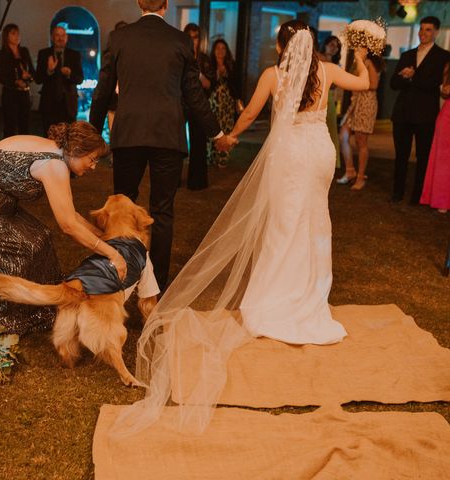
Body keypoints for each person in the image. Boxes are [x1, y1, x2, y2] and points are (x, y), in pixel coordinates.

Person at [111, 20, 370, 436]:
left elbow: (250, 112)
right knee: (314, 221)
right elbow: (363, 83)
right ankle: (309, 295)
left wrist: (227, 136)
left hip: (289, 154)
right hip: (319, 153)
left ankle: (277, 296)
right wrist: (361, 53)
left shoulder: (274, 75)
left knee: (284, 224)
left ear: (284, 45)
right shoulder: (327, 70)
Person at [89, 0, 234, 292]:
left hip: (128, 134)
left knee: (122, 206)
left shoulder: (120, 38)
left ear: (139, 3)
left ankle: (122, 278)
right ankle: (157, 286)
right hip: (167, 136)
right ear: (166, 5)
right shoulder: (180, 40)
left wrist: (93, 133)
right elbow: (194, 94)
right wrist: (216, 133)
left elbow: (103, 90)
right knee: (163, 211)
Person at [0, 121, 126, 335]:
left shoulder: (56, 151)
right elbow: (68, 225)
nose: (93, 166)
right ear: (76, 151)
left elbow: (70, 214)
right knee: (25, 247)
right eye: (92, 159)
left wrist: (103, 237)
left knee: (40, 237)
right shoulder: (54, 164)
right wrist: (112, 253)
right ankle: (6, 315)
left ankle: (45, 307)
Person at [390, 16, 450, 205]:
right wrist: (404, 78)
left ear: (436, 32)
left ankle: (418, 195)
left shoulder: (443, 56)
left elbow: (434, 85)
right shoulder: (407, 55)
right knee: (401, 155)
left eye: (428, 30)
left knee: (423, 156)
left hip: (425, 115)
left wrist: (413, 77)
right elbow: (393, 84)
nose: (423, 33)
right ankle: (397, 192)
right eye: (422, 29)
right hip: (402, 113)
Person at [338, 52, 384, 190]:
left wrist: (356, 84)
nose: (357, 48)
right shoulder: (359, 61)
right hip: (355, 103)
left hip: (366, 103)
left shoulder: (369, 62)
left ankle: (360, 177)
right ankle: (350, 170)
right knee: (343, 136)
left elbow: (374, 84)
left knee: (361, 141)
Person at [35, 26, 84, 135]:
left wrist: (69, 74)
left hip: (69, 105)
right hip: (49, 104)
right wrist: (49, 71)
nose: (60, 38)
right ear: (52, 37)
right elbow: (37, 79)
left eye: (63, 35)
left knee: (69, 137)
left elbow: (80, 79)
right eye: (57, 35)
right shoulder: (44, 54)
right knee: (48, 137)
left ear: (67, 38)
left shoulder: (74, 55)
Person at [183, 23, 214, 190]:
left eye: (196, 37)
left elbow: (209, 84)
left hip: (198, 104)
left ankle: (197, 181)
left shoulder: (204, 60)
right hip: (181, 104)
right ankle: (173, 180)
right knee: (176, 144)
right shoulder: (180, 56)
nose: (193, 41)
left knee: (198, 143)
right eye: (190, 37)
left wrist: (198, 72)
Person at [420, 62, 450, 213]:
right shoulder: (448, 66)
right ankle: (442, 199)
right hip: (448, 116)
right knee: (444, 159)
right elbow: (444, 92)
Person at [0, 24, 35, 138]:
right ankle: (9, 152)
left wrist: (29, 77)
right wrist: (15, 81)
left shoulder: (24, 51)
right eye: (13, 33)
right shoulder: (2, 54)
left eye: (18, 33)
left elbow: (32, 71)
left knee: (25, 125)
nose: (17, 36)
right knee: (10, 126)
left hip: (24, 93)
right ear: (6, 36)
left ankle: (24, 151)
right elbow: (2, 77)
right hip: (10, 94)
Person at [207, 39, 239, 169]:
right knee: (213, 129)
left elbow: (236, 85)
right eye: (218, 48)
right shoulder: (209, 65)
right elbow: (208, 85)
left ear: (226, 51)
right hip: (214, 102)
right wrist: (217, 73)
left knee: (226, 129)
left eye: (223, 48)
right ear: (214, 51)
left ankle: (223, 158)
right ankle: (211, 157)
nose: (220, 51)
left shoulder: (231, 64)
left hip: (227, 103)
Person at [319, 35, 342, 168]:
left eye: (336, 46)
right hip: (317, 98)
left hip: (329, 99)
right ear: (325, 44)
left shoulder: (336, 65)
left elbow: (334, 85)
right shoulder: (317, 58)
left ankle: (330, 161)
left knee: (331, 130)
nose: (334, 48)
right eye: (331, 44)